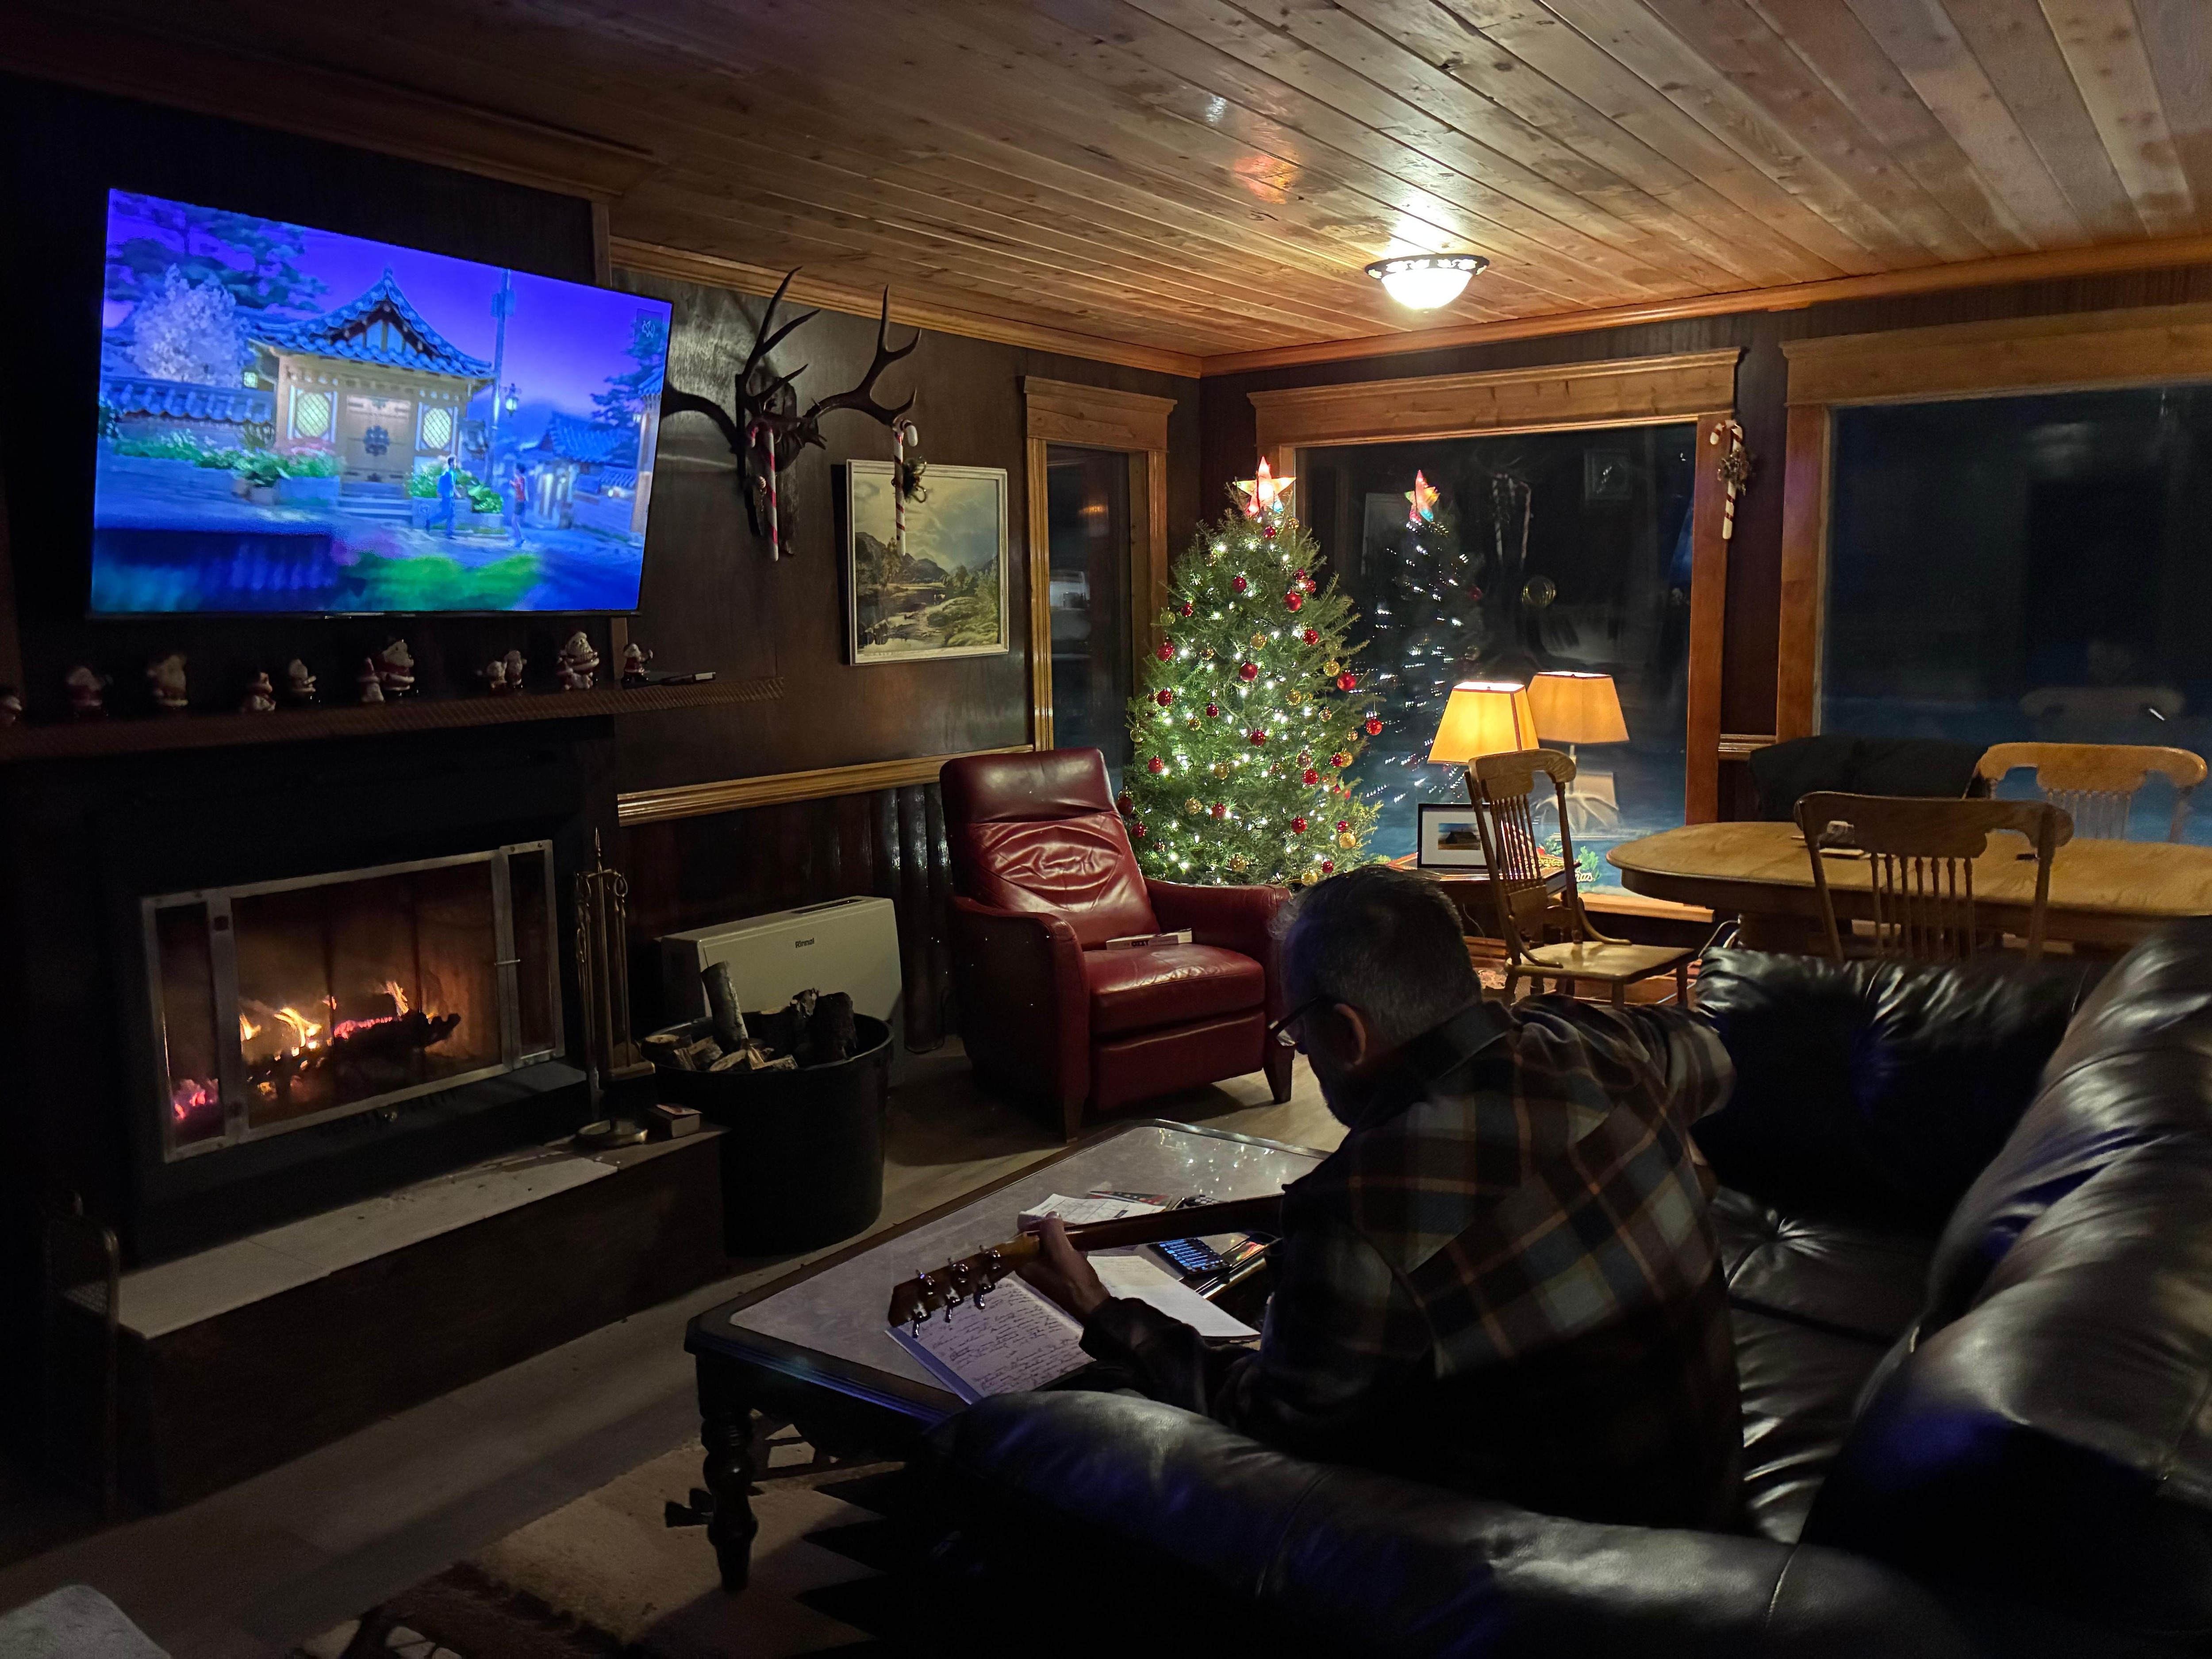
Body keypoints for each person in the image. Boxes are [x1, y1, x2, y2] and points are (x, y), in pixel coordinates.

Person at [1020, 864, 1741, 1529]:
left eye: (1297, 1031)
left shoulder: (1359, 1212)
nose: (1302, 1049)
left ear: (1345, 1033)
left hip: (1559, 1579)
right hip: (1710, 1514)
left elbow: (1272, 1421)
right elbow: (1721, 1055)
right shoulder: (1609, 1042)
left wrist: (1103, 1310)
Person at [432, 457, 459, 538]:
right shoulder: (449, 473)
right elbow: (452, 485)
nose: (456, 464)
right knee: (446, 514)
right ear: (451, 463)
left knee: (451, 515)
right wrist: (457, 494)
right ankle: (430, 522)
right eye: (455, 463)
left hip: (450, 497)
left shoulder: (452, 473)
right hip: (447, 497)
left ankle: (450, 533)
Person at [506, 462, 527, 547]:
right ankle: (519, 538)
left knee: (514, 521)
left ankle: (519, 538)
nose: (514, 470)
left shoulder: (521, 479)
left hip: (520, 501)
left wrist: (512, 483)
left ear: (518, 470)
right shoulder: (519, 479)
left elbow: (519, 488)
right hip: (519, 501)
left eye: (516, 469)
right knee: (514, 521)